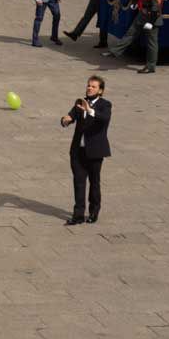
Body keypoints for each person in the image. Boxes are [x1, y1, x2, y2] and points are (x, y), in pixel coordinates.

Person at [60, 75, 112, 226]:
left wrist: (89, 110)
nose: (89, 88)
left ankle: (94, 212)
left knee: (94, 182)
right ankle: (78, 215)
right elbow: (70, 116)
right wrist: (65, 120)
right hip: (78, 151)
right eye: (88, 85)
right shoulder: (80, 102)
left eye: (93, 86)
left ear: (100, 90)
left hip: (95, 151)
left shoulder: (105, 105)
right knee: (79, 182)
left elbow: (104, 118)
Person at [106, 0, 164, 73]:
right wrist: (137, 4)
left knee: (151, 43)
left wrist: (151, 22)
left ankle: (150, 66)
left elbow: (156, 7)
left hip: (151, 18)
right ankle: (115, 51)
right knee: (130, 34)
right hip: (142, 15)